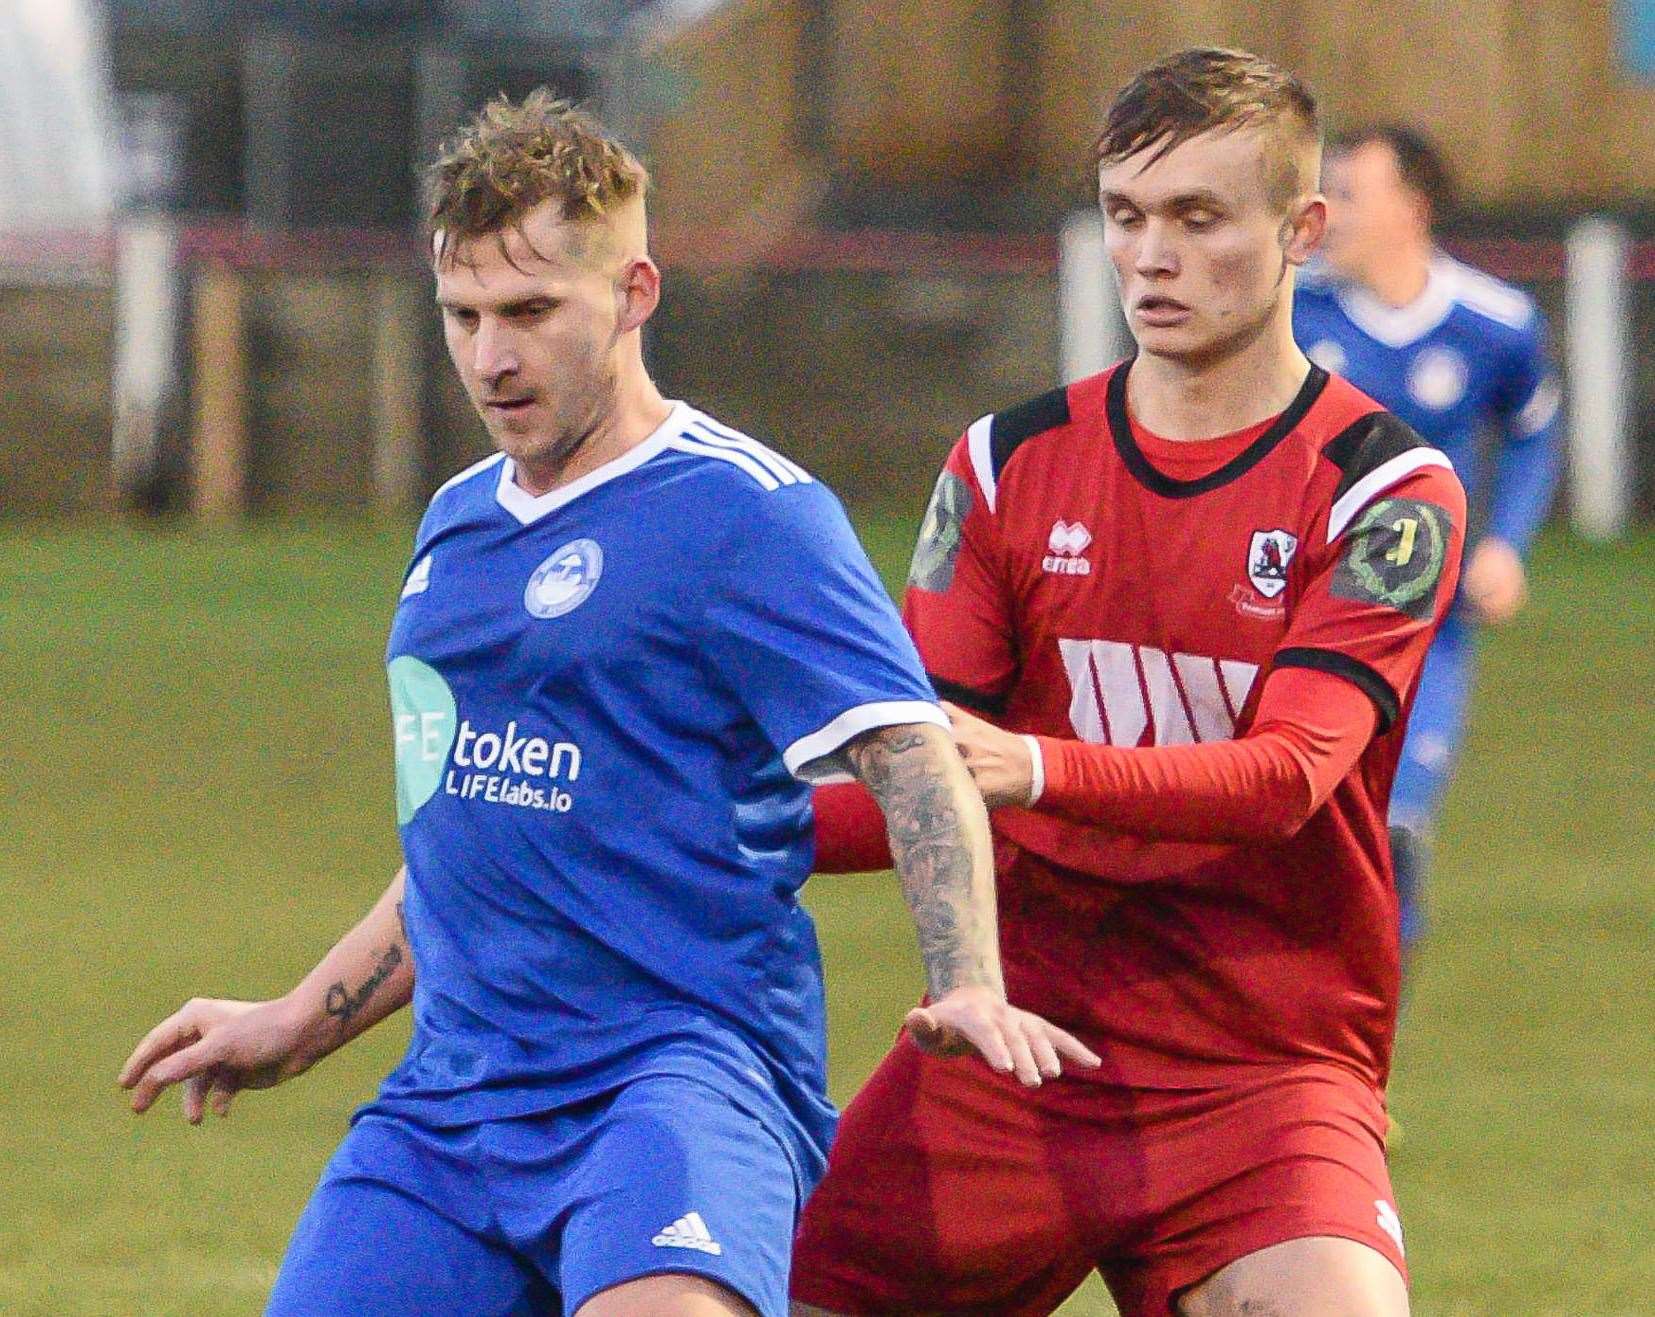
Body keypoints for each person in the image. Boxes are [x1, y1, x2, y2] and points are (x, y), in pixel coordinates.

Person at [117, 92, 1095, 1317]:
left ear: (634, 294)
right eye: (463, 316)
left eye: (529, 312)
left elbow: (911, 755)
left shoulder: (747, 515)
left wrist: (965, 978)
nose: (490, 357)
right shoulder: (456, 527)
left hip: (676, 1083)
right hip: (452, 1108)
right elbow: (461, 831)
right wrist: (293, 1023)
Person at [792, 49, 1466, 1316]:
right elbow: (907, 778)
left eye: (1198, 218)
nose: (1151, 256)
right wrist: (694, 823)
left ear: (1298, 231)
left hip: (1263, 1072)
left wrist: (1031, 765)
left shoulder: (1386, 490)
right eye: (1126, 216)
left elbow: (1284, 779)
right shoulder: (1001, 465)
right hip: (1013, 1042)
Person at [1296, 124, 1561, 963]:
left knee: (1394, 830)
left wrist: (1506, 545)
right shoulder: (1289, 311)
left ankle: (1361, 1065)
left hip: (1424, 627)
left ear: (1409, 209)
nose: (1325, 211)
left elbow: (1532, 434)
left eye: (1347, 193)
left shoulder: (1495, 323)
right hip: (1288, 614)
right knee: (1288, 829)